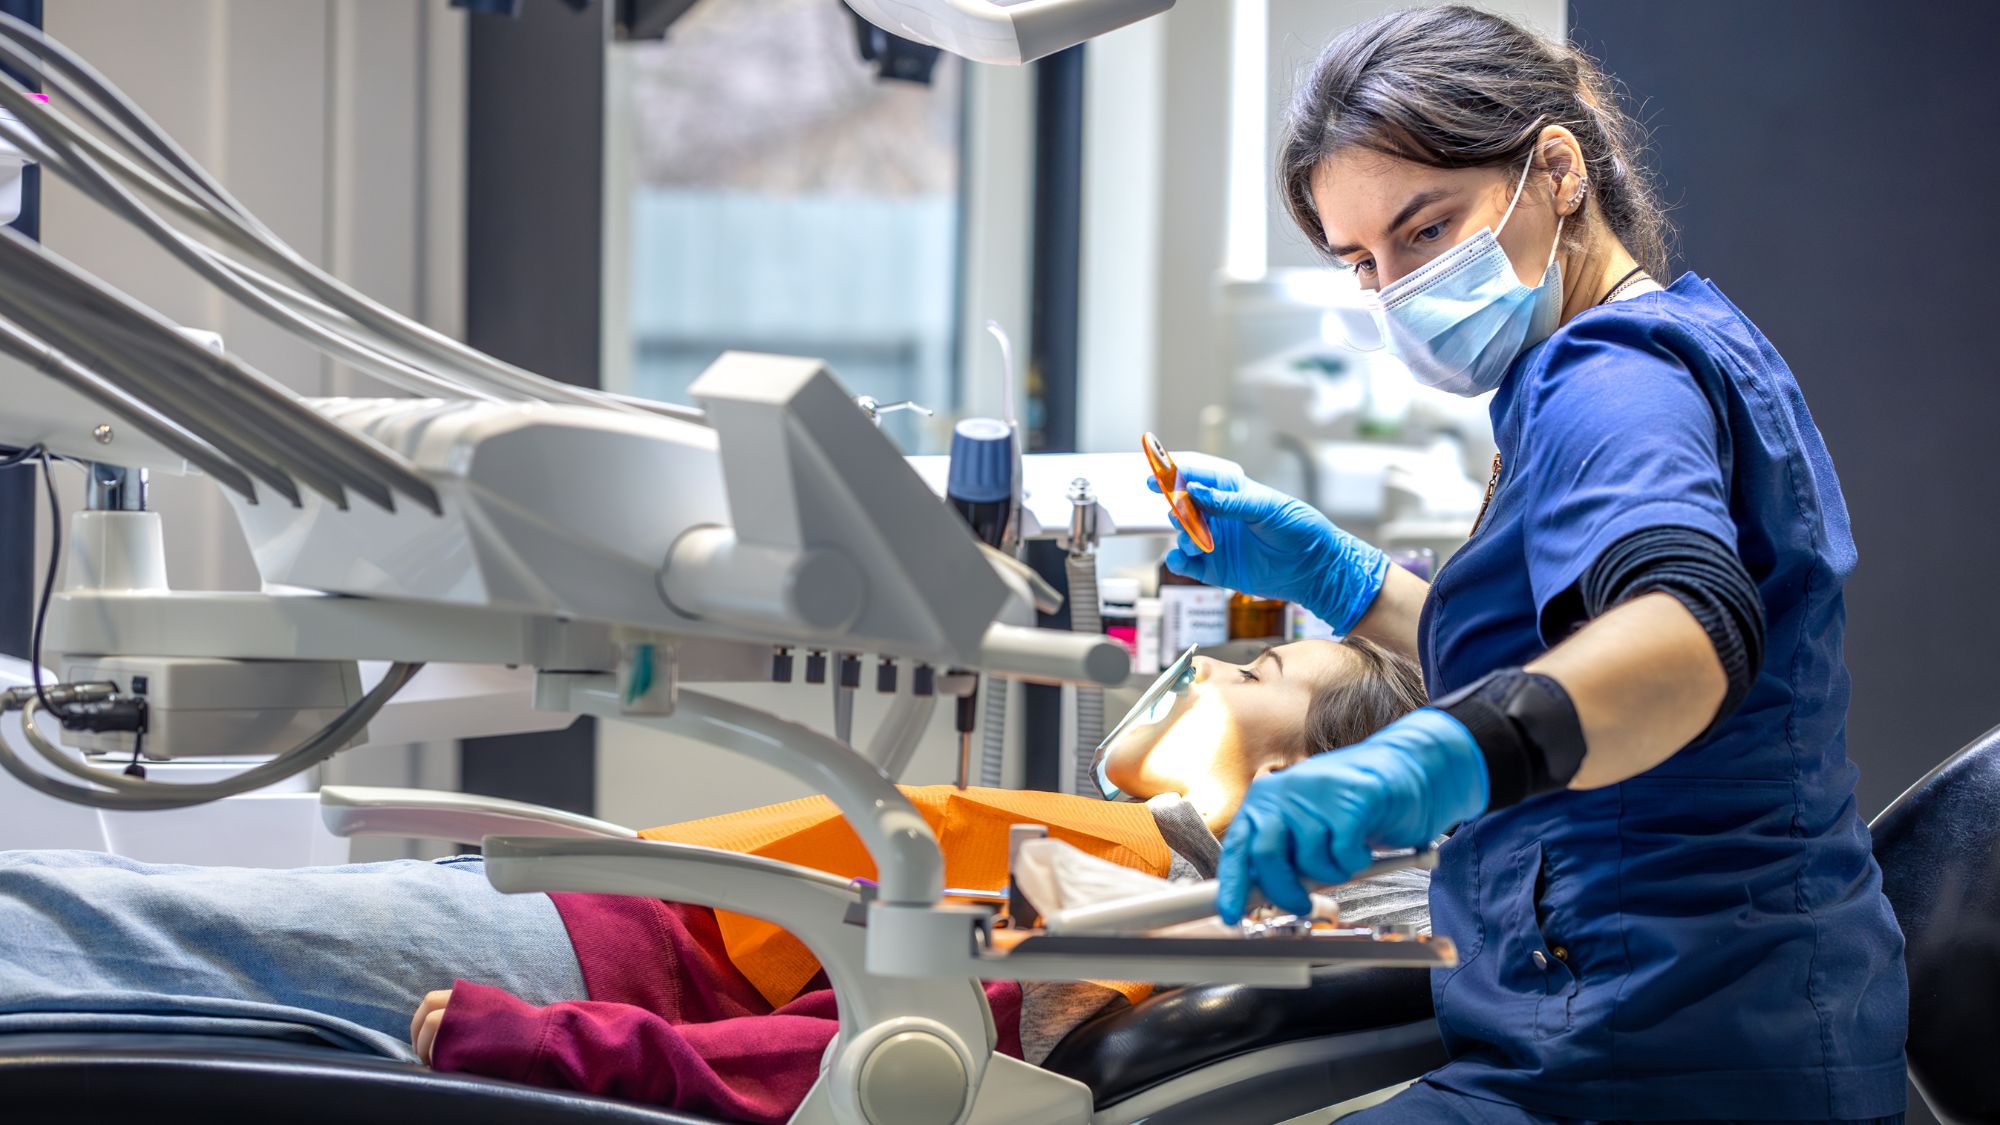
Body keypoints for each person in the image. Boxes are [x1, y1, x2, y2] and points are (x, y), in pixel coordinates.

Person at [1153, 7, 1906, 1123]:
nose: (1396, 288)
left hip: (1674, 1045)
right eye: (1361, 262)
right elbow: (1565, 650)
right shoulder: (1640, 341)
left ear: (1554, 168)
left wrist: (1429, 760)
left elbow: (1682, 639)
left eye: (1424, 231)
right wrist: (1336, 575)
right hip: (1668, 1008)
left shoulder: (1609, 381)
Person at [0, 637, 1428, 1125]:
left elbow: (857, 1057)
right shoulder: (1120, 844)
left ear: (1322, 776)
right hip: (584, 920)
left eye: (1257, 673)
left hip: (559, 977)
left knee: (98, 930)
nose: (1214, 675)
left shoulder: (1132, 911)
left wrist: (538, 1042)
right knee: (107, 922)